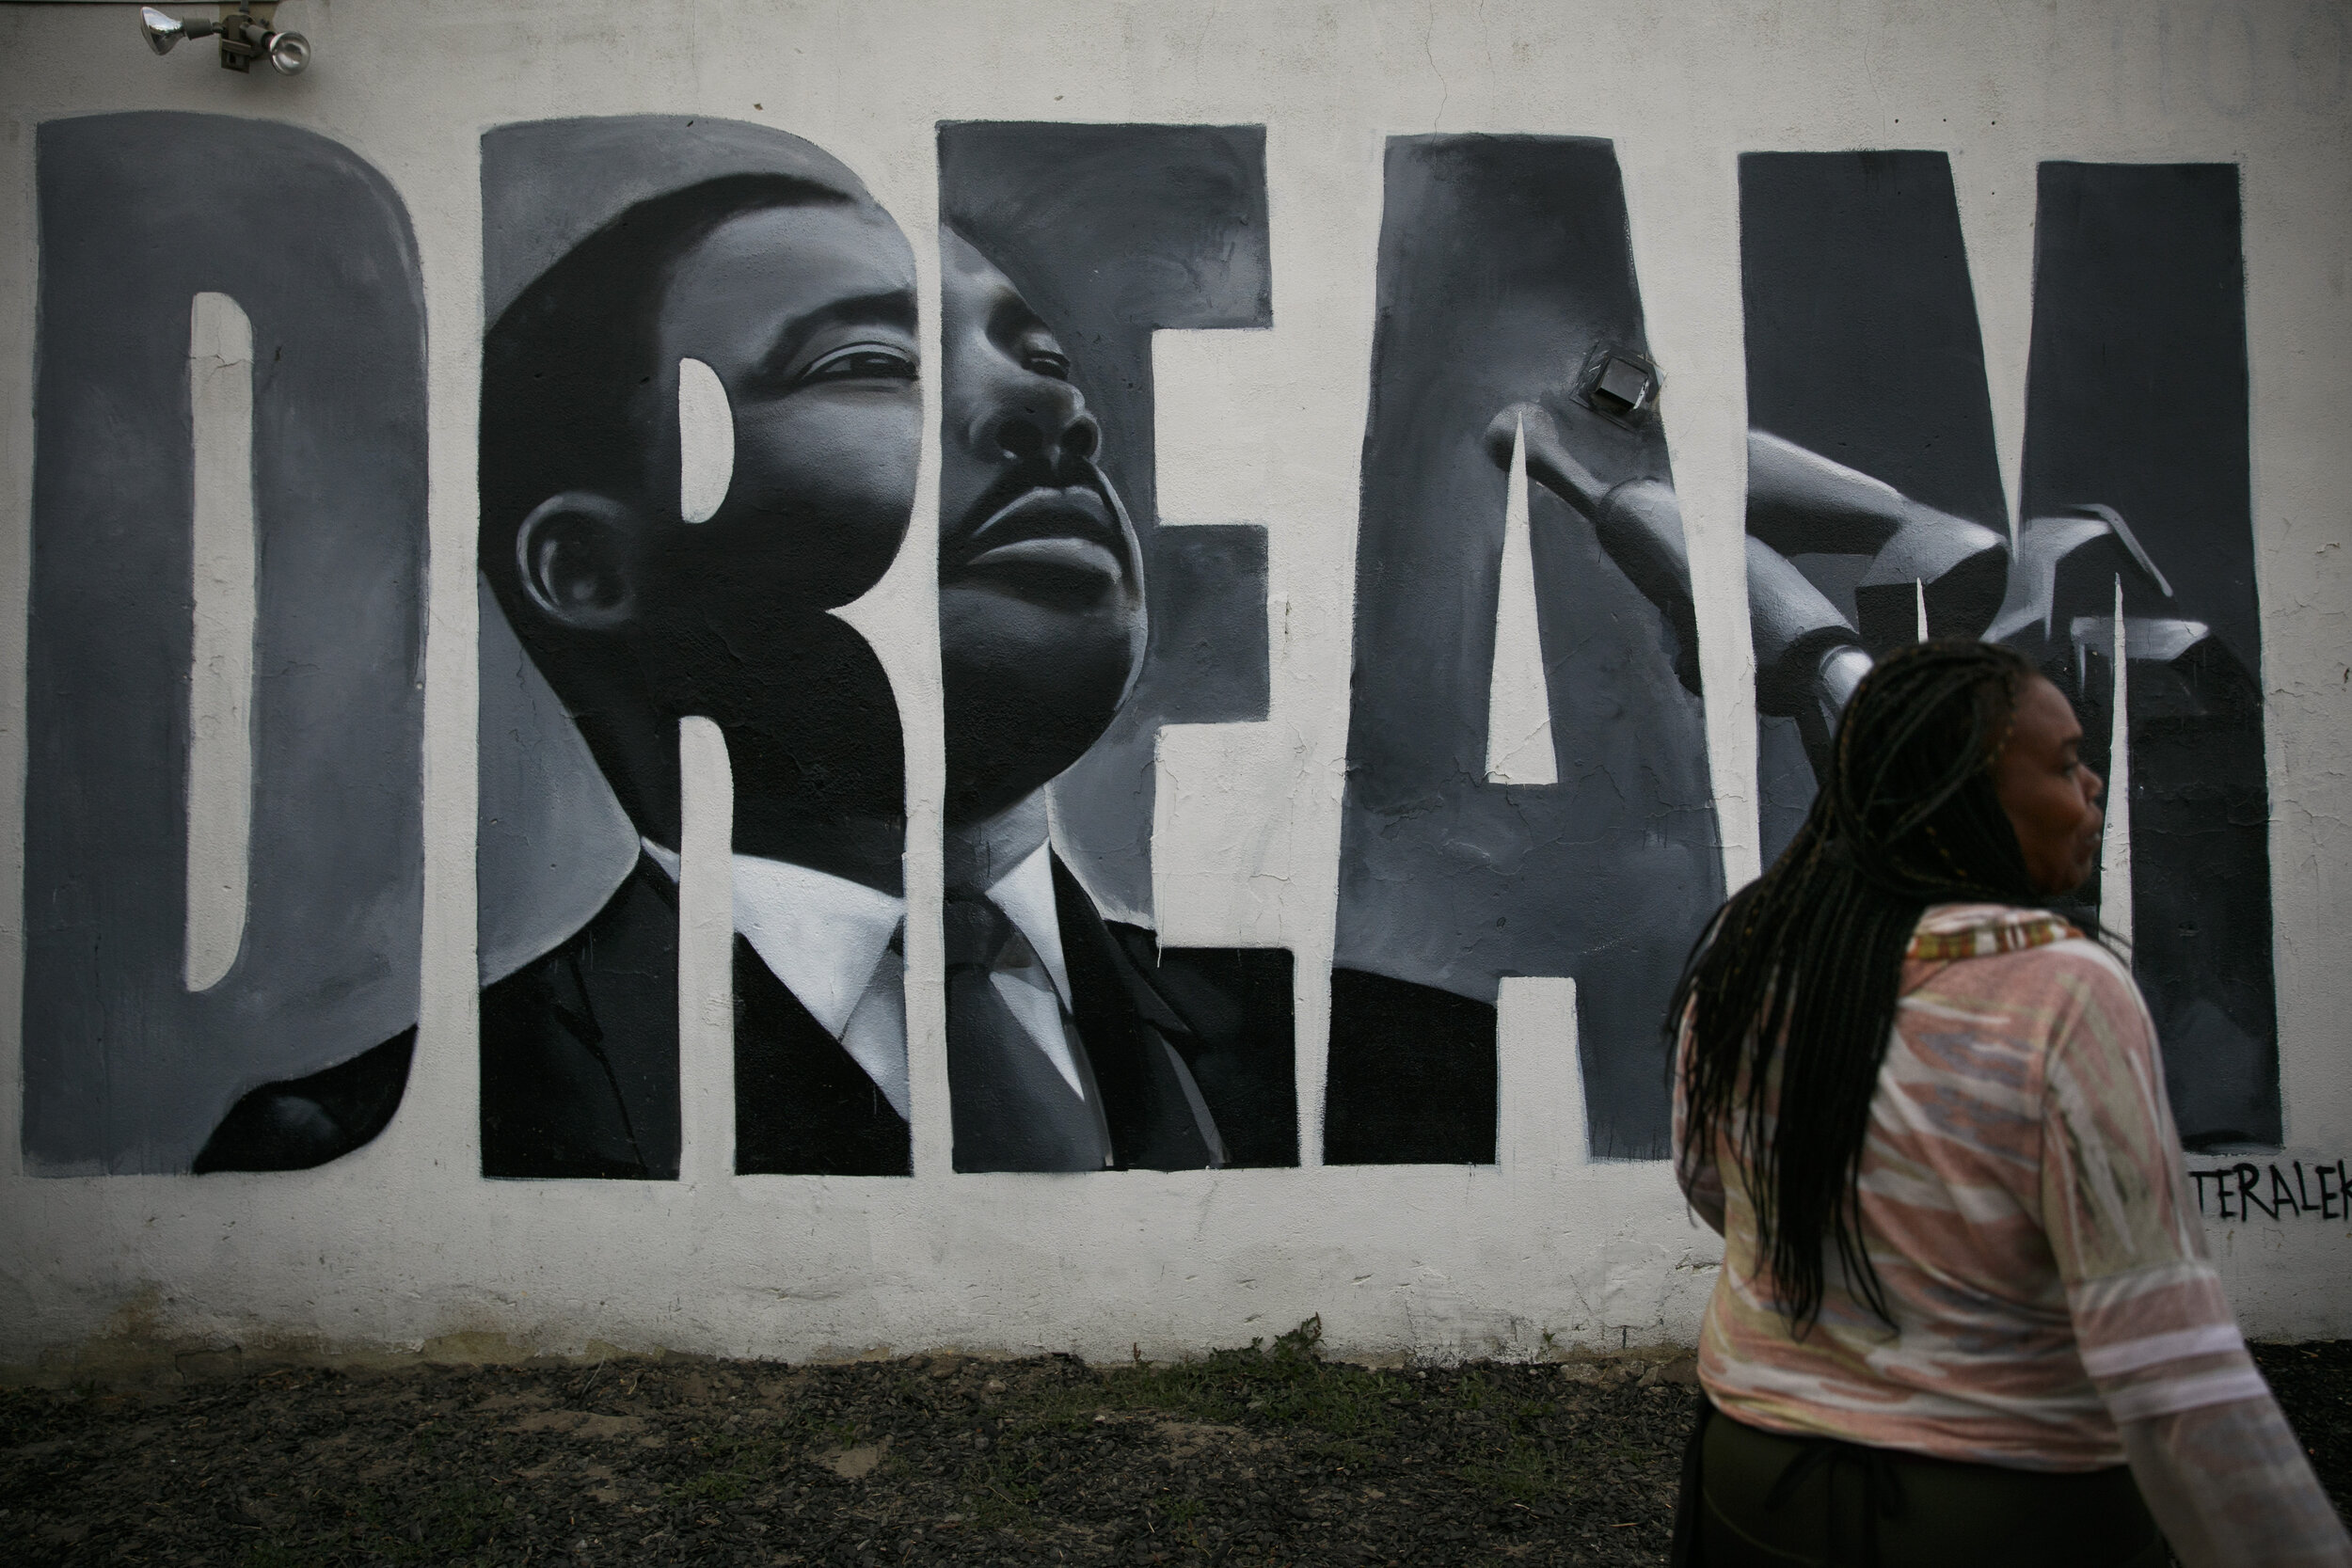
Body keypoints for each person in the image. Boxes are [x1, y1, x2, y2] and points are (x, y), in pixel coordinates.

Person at [1665, 639, 2348, 1566]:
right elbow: (2162, 1348)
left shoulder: (1750, 952)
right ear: (1968, 795)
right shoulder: (2059, 989)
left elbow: (1713, 1185)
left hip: (1752, 1479)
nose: (2094, 782)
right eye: (2066, 762)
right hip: (2000, 1504)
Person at [932, 228, 1296, 1173]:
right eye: (870, 363)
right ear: (585, 566)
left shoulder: (1423, 1073)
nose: (1058, 405)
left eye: (1047, 360)